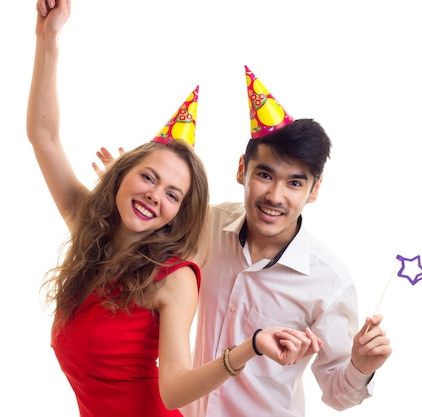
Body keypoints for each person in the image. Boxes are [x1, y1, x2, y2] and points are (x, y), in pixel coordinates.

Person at [27, 2, 323, 416]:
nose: (155, 196)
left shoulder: (172, 278)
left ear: (178, 212)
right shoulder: (87, 228)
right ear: (122, 173)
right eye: (149, 178)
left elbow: (174, 392)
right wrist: (49, 38)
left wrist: (249, 347)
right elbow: (45, 138)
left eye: (173, 194)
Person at [95, 66, 392, 417]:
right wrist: (129, 187)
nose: (276, 196)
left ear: (314, 191)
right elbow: (144, 229)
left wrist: (360, 365)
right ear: (242, 170)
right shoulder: (203, 225)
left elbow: (337, 396)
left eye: (295, 183)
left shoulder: (331, 280)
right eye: (265, 175)